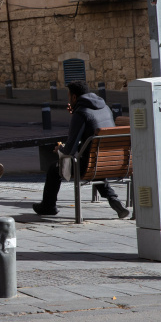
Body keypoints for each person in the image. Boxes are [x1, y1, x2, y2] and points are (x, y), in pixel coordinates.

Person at [33, 80, 130, 219]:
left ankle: (48, 206)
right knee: (93, 164)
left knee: (54, 169)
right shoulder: (105, 107)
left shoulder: (81, 113)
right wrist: (75, 115)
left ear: (74, 97)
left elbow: (70, 151)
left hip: (92, 164)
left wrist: (60, 148)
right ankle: (113, 199)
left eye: (68, 96)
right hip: (113, 163)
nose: (68, 99)